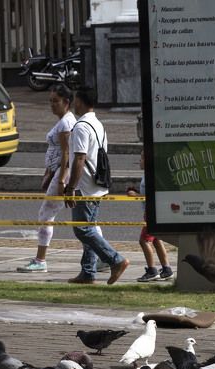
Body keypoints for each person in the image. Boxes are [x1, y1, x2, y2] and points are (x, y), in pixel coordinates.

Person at [18, 84, 91, 272]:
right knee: (85, 218)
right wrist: (48, 173)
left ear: (67, 102)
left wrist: (61, 180)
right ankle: (98, 256)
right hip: (56, 172)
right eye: (50, 101)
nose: (52, 105)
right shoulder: (62, 121)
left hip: (62, 173)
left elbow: (67, 153)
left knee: (46, 214)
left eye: (55, 101)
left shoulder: (67, 123)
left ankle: (40, 260)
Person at [63, 87, 129, 285]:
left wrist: (70, 187)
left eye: (75, 100)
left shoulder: (82, 126)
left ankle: (115, 260)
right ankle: (88, 271)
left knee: (82, 229)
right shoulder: (98, 124)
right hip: (96, 183)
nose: (74, 104)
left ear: (81, 102)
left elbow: (79, 158)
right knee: (89, 227)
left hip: (85, 186)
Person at [126, 152, 173, 281]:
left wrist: (135, 196)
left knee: (144, 241)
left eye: (141, 158)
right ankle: (167, 268)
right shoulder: (150, 174)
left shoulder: (151, 175)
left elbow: (152, 195)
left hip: (152, 213)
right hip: (155, 211)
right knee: (157, 239)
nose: (139, 161)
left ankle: (152, 270)